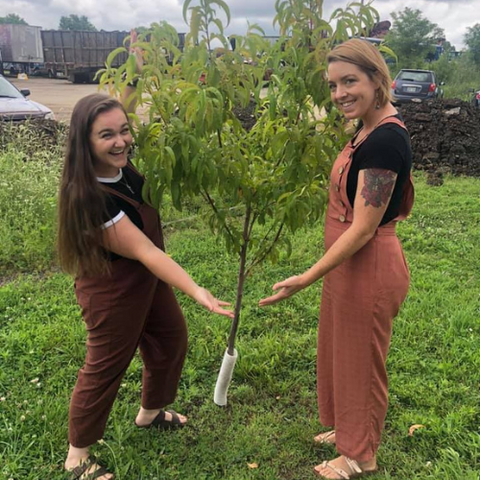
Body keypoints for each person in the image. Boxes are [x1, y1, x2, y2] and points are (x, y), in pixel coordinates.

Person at [57, 33, 233, 480]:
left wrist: (136, 62)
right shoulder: (90, 195)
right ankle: (77, 455)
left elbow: (124, 103)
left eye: (123, 131)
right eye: (106, 136)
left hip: (144, 281)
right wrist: (196, 289)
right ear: (84, 141)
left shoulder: (117, 165)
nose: (121, 141)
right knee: (105, 365)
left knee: (170, 340)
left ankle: (151, 412)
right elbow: (146, 250)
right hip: (113, 289)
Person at [260, 38, 414, 479]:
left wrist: (307, 276)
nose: (340, 93)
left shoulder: (385, 141)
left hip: (370, 267)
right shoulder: (365, 127)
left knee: (362, 361)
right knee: (342, 352)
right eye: (333, 85)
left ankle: (360, 455)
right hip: (347, 264)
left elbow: (364, 227)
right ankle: (348, 427)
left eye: (350, 81)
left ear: (377, 79)